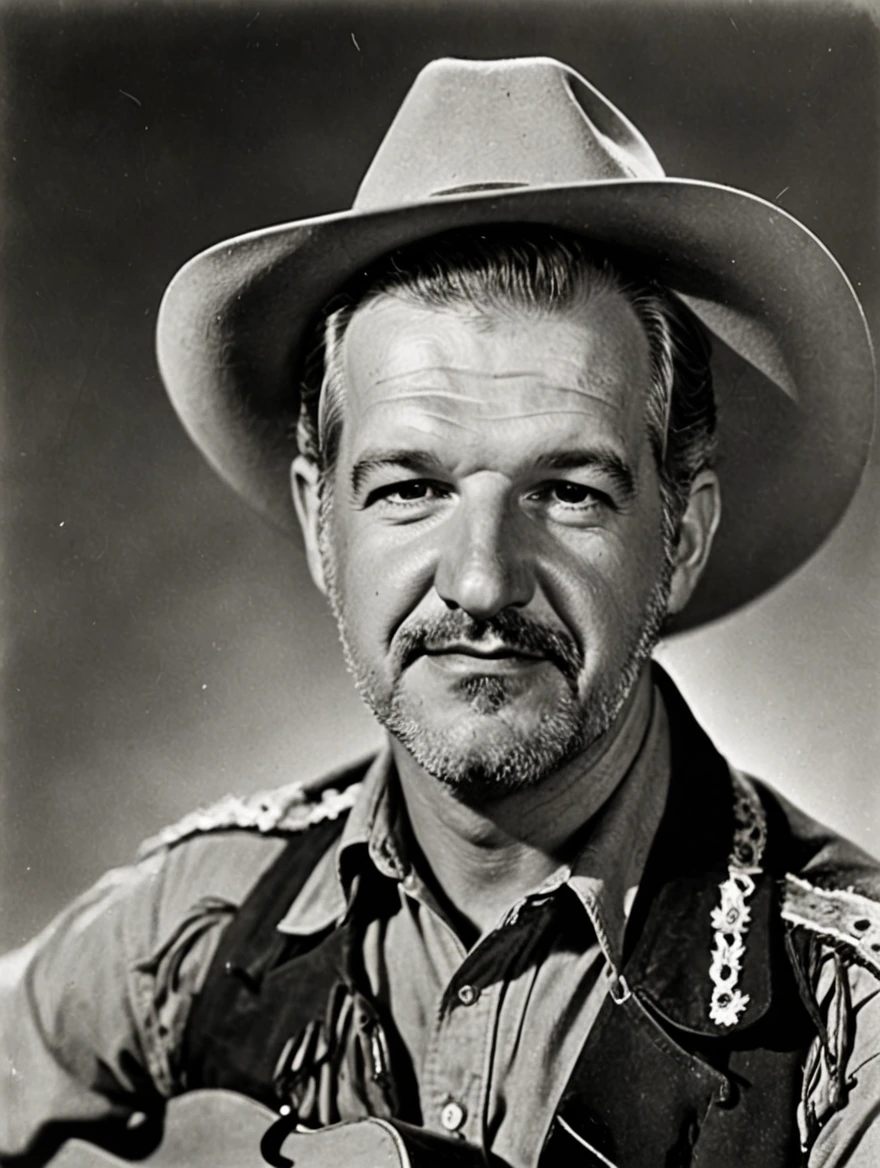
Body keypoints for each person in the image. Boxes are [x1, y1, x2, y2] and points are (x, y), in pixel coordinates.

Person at [1, 55, 878, 1168]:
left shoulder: (852, 1026)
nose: (480, 581)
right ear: (324, 523)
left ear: (683, 535)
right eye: (410, 488)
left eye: (567, 492)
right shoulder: (191, 918)